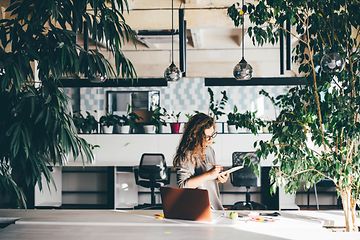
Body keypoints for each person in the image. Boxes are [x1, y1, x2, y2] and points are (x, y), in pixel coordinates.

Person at [173, 112, 229, 210]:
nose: (211, 139)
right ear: (195, 136)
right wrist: (209, 174)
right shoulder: (187, 154)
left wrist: (218, 178)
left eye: (212, 135)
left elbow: (205, 180)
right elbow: (183, 186)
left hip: (214, 207)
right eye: (207, 137)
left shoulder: (209, 150)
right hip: (197, 209)